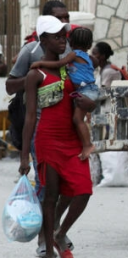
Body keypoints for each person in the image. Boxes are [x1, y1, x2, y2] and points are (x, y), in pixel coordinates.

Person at [18, 15, 96, 258]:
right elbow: (30, 118)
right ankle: (49, 254)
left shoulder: (70, 68)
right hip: (47, 140)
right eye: (56, 36)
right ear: (43, 40)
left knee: (83, 190)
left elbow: (88, 98)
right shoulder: (35, 74)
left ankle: (60, 233)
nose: (63, 40)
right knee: (50, 196)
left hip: (72, 140)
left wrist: (91, 104)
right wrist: (24, 157)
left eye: (64, 36)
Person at [5, 0, 76, 257]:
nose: (64, 23)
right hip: (41, 128)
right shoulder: (31, 51)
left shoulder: (70, 48)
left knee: (74, 185)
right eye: (59, 18)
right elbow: (11, 86)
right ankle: (45, 240)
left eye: (66, 18)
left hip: (69, 127)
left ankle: (56, 227)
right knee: (48, 186)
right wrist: (39, 75)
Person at [31, 27, 98, 160]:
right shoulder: (87, 57)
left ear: (70, 43)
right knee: (77, 118)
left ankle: (87, 145)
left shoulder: (75, 54)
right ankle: (83, 143)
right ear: (90, 45)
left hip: (85, 91)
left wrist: (40, 63)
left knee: (77, 119)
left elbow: (59, 63)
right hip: (88, 89)